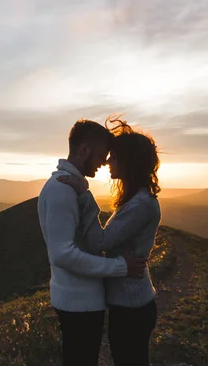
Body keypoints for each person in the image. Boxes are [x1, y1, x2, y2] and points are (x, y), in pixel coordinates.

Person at [37, 118, 148, 366]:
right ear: (84, 150)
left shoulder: (70, 187)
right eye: (101, 155)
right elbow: (63, 254)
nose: (103, 162)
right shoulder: (62, 189)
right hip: (79, 304)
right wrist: (121, 267)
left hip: (81, 301)